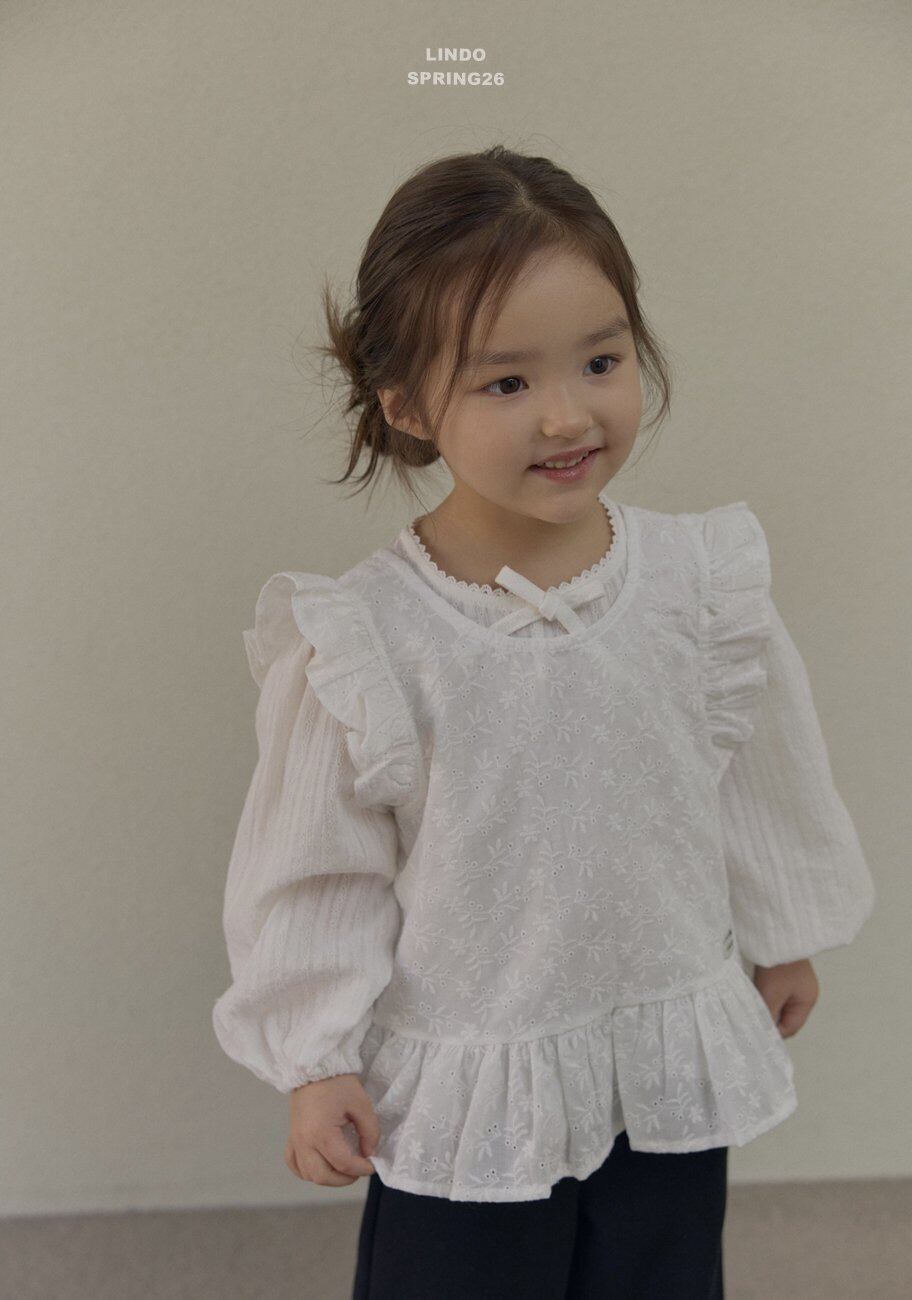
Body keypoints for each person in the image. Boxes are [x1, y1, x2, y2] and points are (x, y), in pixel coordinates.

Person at [211, 145, 876, 1299]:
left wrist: (783, 930)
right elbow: (315, 869)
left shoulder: (699, 588)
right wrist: (315, 1057)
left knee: (661, 1272)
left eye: (601, 360)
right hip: (473, 1071)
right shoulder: (367, 639)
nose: (568, 414)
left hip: (660, 1041)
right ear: (407, 405)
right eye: (506, 383)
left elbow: (756, 771)